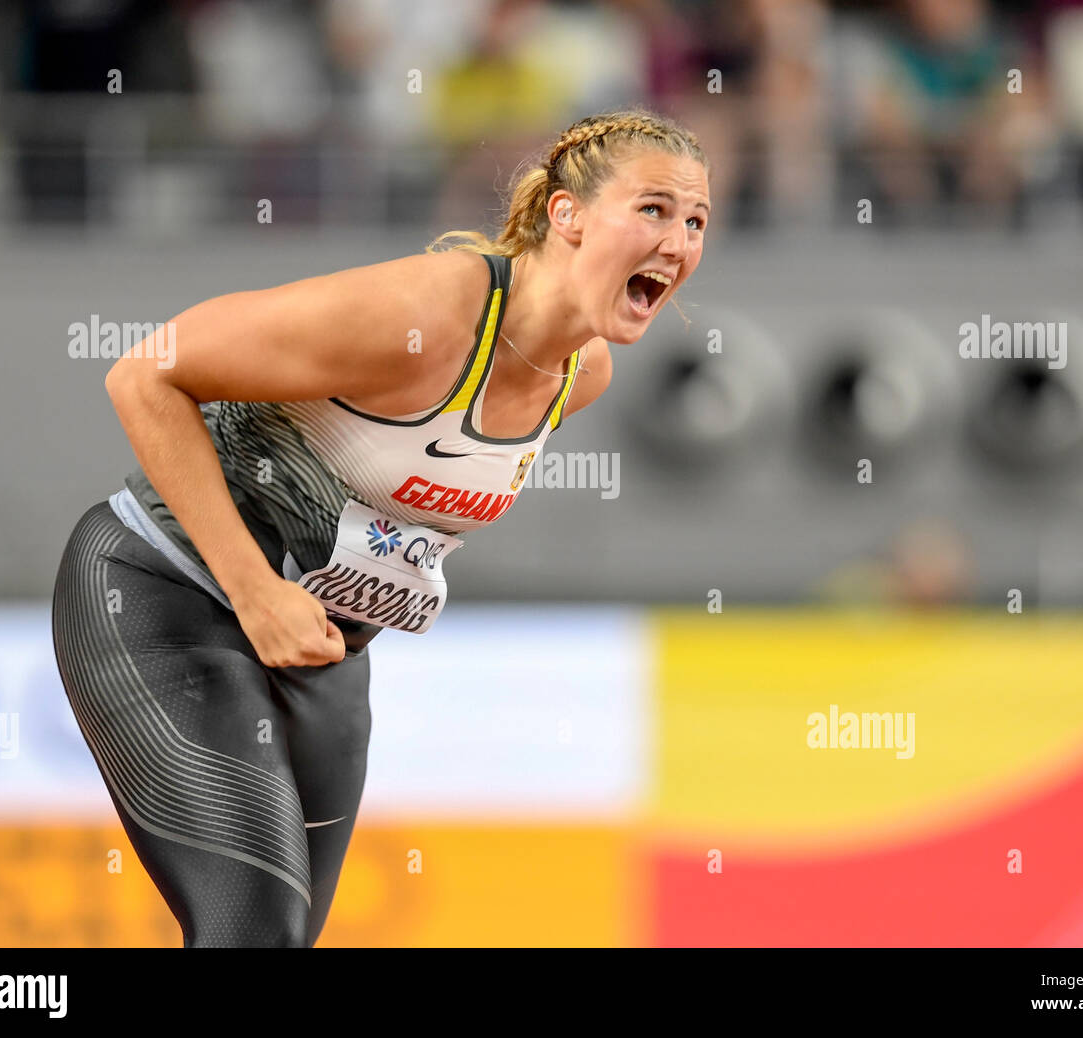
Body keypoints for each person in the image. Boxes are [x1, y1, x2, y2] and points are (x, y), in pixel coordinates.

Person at [50, 108, 711, 947]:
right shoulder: (428, 317)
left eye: (695, 221)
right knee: (253, 933)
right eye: (652, 208)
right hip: (161, 598)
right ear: (566, 215)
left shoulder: (584, 375)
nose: (679, 240)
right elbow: (144, 375)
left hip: (320, 656)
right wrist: (254, 591)